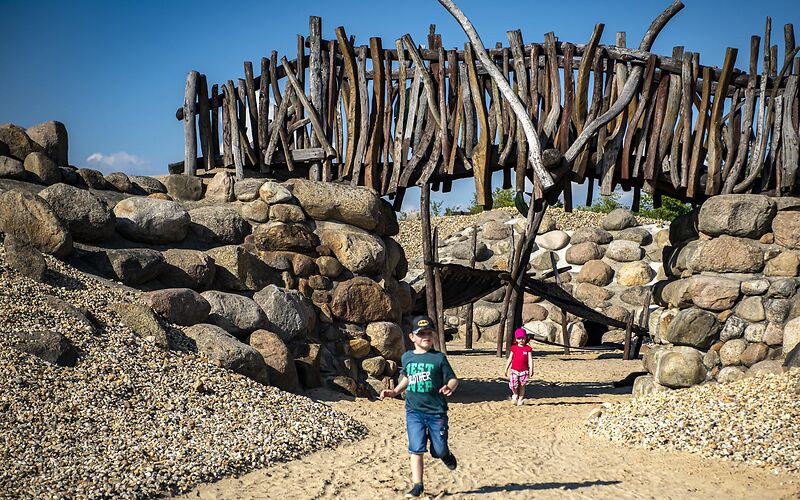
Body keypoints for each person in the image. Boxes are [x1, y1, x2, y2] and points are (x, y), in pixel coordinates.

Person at [380, 315, 459, 498]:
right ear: (412, 337)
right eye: (421, 333)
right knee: (416, 448)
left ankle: (444, 454)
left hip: (436, 412)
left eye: (429, 333)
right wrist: (395, 391)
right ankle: (418, 485)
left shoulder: (439, 358)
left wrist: (450, 387)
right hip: (414, 411)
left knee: (438, 450)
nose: (426, 336)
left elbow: (453, 378)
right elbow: (407, 378)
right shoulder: (407, 357)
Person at [504, 327, 533, 406]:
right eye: (519, 338)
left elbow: (530, 360)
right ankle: (515, 395)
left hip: (524, 370)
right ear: (516, 339)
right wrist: (506, 368)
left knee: (522, 385)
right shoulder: (514, 348)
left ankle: (520, 399)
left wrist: (531, 369)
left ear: (525, 338)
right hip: (514, 370)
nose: (521, 340)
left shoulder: (528, 349)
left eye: (523, 338)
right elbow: (510, 358)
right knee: (513, 384)